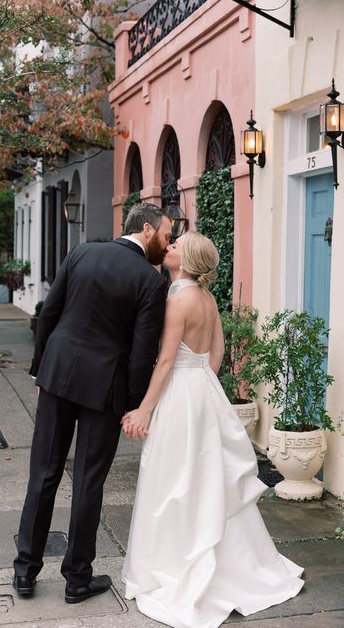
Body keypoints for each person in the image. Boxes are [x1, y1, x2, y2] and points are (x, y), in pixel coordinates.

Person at [121, 231, 304, 628]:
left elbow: (167, 361)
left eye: (176, 246)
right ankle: (237, 564)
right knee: (208, 478)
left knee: (176, 479)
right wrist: (201, 382)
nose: (168, 247)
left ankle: (177, 564)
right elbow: (216, 353)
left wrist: (144, 410)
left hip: (180, 395)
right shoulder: (206, 298)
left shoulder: (177, 300)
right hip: (204, 390)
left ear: (186, 260)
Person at [13, 203, 172, 604]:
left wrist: (40, 370)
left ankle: (25, 572)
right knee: (88, 481)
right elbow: (141, 353)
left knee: (43, 473)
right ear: (148, 230)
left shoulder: (81, 252)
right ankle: (77, 579)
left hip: (58, 374)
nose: (167, 244)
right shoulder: (151, 282)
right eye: (167, 235)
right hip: (105, 389)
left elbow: (50, 311)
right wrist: (134, 405)